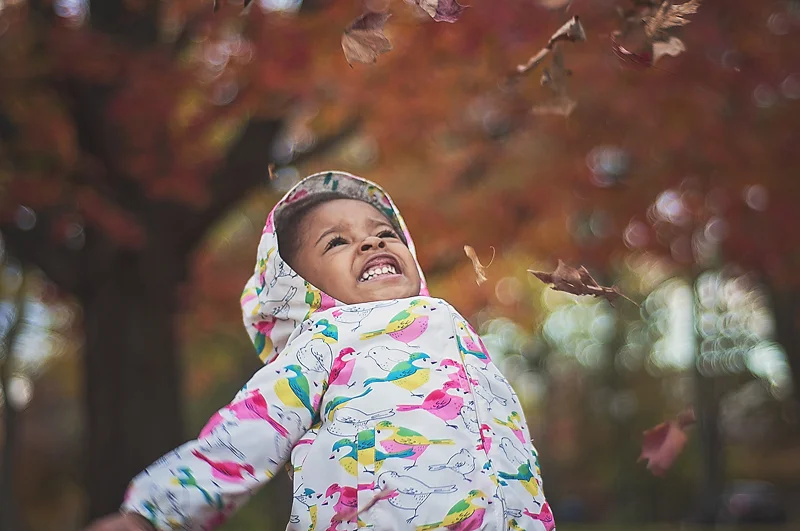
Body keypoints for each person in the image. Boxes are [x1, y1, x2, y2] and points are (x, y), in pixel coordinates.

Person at [85, 171, 554, 531]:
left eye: (385, 233)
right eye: (336, 242)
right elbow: (248, 432)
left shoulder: (453, 327)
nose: (372, 241)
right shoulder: (324, 338)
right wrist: (151, 512)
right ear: (301, 289)